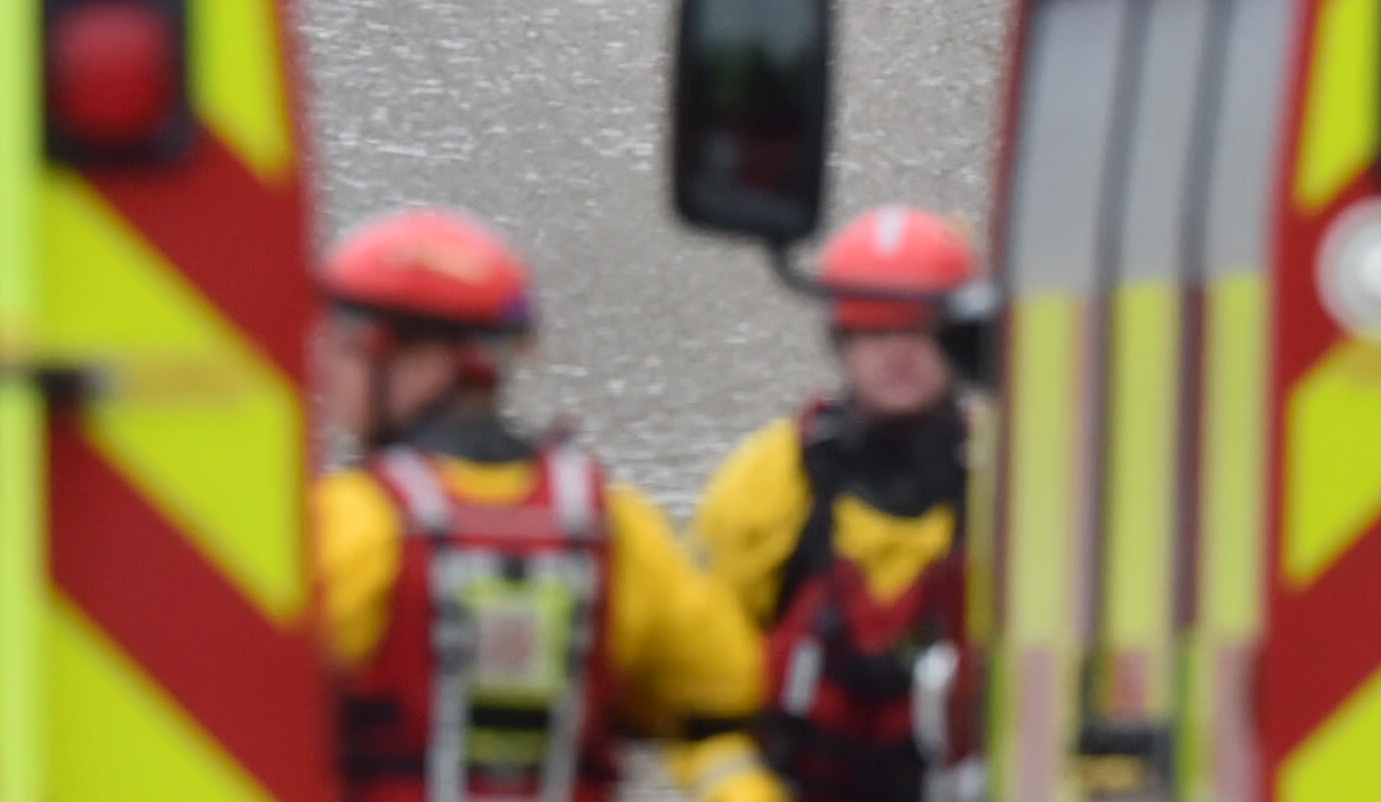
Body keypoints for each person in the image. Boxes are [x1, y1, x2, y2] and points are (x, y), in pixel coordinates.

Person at [313, 207, 787, 802]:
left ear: (424, 359)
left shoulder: (346, 524)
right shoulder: (611, 524)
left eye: (350, 349)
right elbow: (726, 688)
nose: (332, 374)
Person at [695, 206, 989, 802]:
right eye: (875, 332)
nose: (898, 354)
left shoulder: (1009, 483)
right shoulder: (767, 482)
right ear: (840, 341)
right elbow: (702, 698)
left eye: (920, 332)